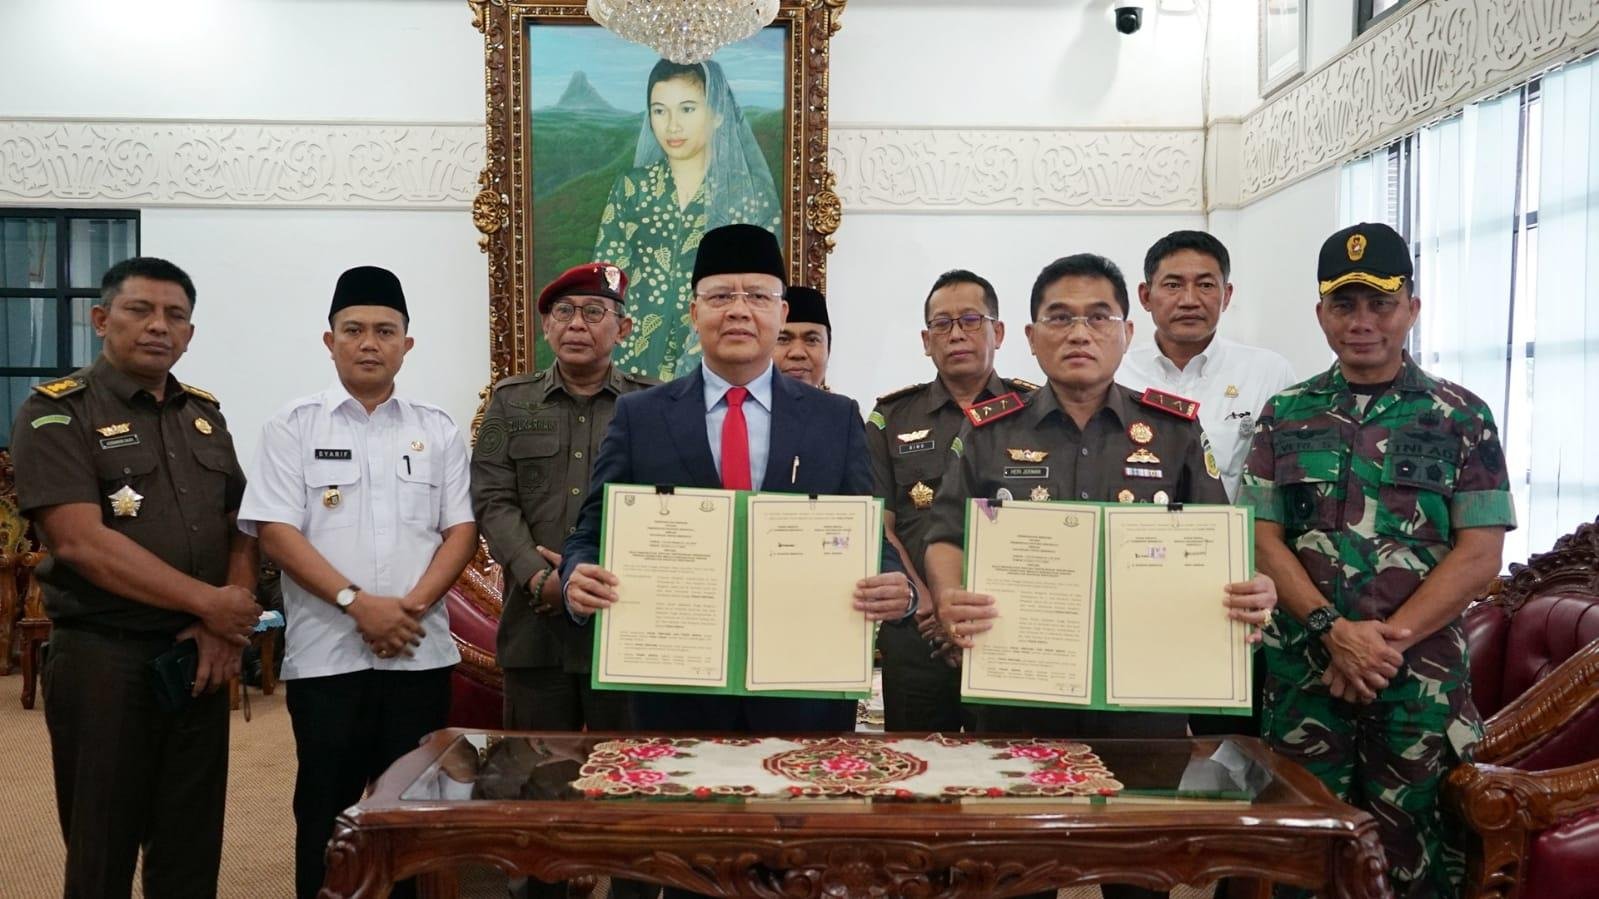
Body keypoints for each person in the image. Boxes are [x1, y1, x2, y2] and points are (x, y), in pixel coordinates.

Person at [925, 254, 1279, 899]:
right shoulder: (988, 433)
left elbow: (1220, 545)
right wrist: (950, 593)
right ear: (1031, 338)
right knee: (1014, 868)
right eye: (1059, 318)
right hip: (1018, 691)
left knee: (1137, 868)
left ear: (1126, 332)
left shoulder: (1173, 430)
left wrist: (1253, 589)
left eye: (1098, 317)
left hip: (1143, 700)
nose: (1079, 333)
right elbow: (945, 534)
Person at [1240, 223, 1515, 899]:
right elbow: (1258, 536)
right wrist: (1332, 630)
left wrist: (1381, 644)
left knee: (1412, 857)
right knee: (1300, 853)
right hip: (1305, 673)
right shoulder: (1284, 413)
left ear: (1411, 308)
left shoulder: (1460, 416)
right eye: (1343, 304)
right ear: (1320, 314)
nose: (1361, 321)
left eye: (1380, 303)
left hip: (1413, 684)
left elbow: (1479, 551)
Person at [562, 223, 915, 738]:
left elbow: (864, 536)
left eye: (757, 295)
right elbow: (590, 532)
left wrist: (898, 589)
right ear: (694, 312)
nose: (738, 310)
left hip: (803, 687)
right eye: (721, 295)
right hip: (674, 690)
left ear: (781, 312)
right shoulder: (640, 416)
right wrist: (578, 575)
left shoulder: (835, 419)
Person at [10, 256, 261, 898]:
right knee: (103, 845)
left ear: (190, 333)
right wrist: (211, 604)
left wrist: (221, 621)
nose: (159, 327)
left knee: (189, 843)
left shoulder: (205, 415)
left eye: (175, 315)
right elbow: (82, 542)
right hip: (104, 658)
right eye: (140, 310)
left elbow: (242, 523)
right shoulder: (55, 413)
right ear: (101, 318)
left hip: (198, 657)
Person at [237, 266, 478, 899]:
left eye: (384, 330)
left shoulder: (438, 427)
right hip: (327, 657)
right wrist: (356, 604)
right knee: (325, 807)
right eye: (354, 330)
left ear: (407, 343)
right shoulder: (292, 425)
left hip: (419, 653)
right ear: (330, 341)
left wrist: (411, 608)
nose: (369, 342)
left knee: (410, 812)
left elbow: (461, 531)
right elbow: (277, 532)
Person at [866, 269, 1036, 733]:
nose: (956, 333)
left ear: (998, 332)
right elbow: (880, 525)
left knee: (1013, 768)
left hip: (1008, 627)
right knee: (917, 775)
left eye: (971, 320)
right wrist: (930, 604)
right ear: (926, 340)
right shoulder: (891, 417)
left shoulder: (1035, 413)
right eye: (942, 324)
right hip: (917, 628)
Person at [596, 58, 782, 382]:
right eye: (659, 110)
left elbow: (763, 294)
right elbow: (604, 278)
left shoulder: (750, 197)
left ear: (718, 113)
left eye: (687, 109)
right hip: (627, 360)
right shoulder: (632, 188)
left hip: (716, 363)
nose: (672, 126)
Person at [1118, 230, 1298, 500]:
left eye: (1205, 285)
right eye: (1173, 285)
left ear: (1226, 295)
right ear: (1145, 296)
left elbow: (1288, 479)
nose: (1189, 300)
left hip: (1238, 540)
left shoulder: (1269, 373)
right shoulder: (1117, 373)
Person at [773, 284, 830, 388]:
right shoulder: (740, 404)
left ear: (828, 350)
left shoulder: (841, 404)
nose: (797, 353)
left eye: (812, 340)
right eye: (782, 339)